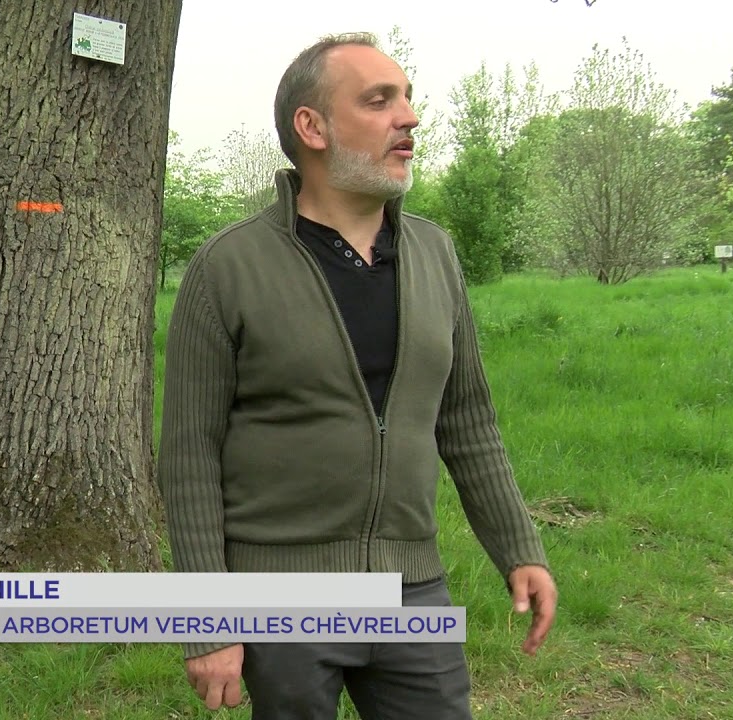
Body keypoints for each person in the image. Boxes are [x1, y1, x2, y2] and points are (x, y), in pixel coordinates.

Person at [155, 31, 557, 720]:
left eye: (408, 99)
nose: (410, 118)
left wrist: (519, 547)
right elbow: (190, 457)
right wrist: (208, 621)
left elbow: (467, 422)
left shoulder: (435, 254)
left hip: (412, 587)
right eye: (380, 101)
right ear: (311, 127)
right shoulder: (228, 267)